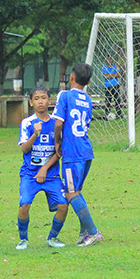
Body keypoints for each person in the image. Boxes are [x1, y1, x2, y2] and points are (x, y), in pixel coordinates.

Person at [52, 63, 103, 247]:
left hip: (72, 152)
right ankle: (83, 233)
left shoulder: (64, 95)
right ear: (88, 81)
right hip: (86, 150)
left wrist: (57, 141)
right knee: (77, 192)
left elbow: (58, 123)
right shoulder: (88, 100)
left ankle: (94, 232)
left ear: (71, 77)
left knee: (71, 193)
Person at [17, 87, 69, 250]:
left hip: (51, 175)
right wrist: (34, 135)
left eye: (44, 98)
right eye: (37, 98)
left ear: (50, 101)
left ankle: (52, 237)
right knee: (24, 204)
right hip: (30, 174)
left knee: (63, 205)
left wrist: (45, 168)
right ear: (31, 102)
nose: (41, 101)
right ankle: (23, 239)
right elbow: (24, 149)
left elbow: (59, 151)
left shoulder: (57, 123)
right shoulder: (27, 123)